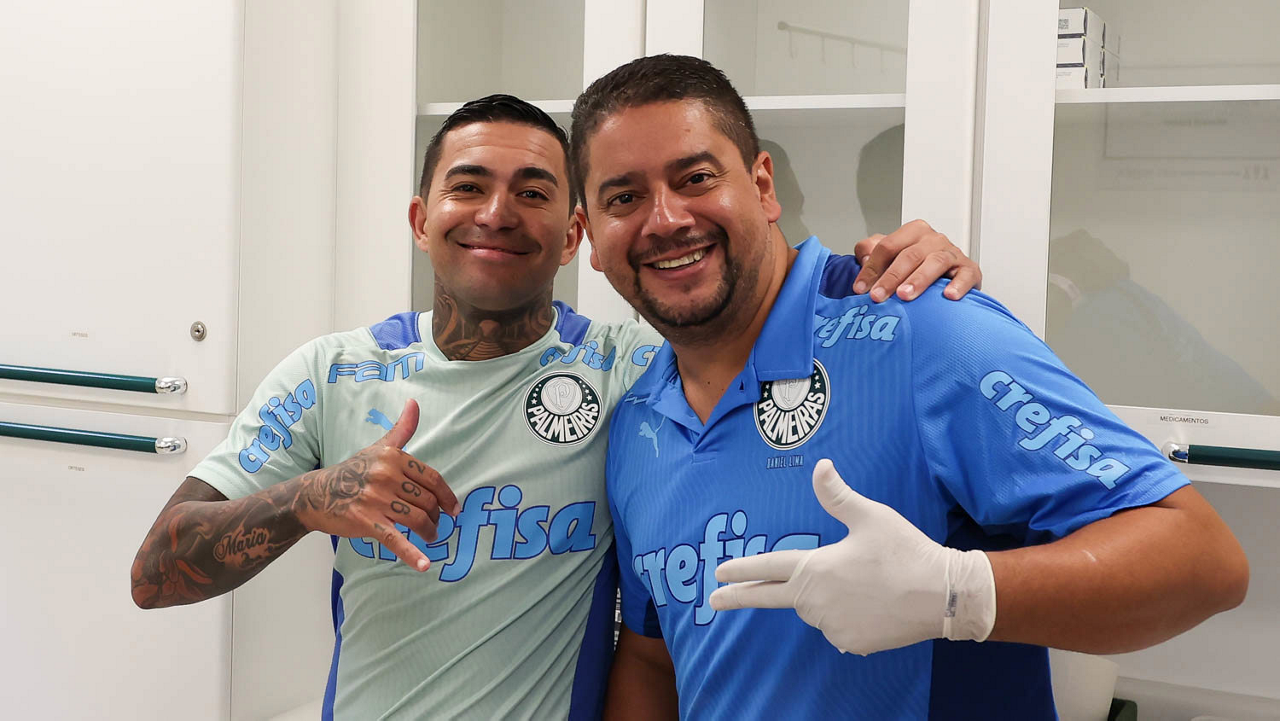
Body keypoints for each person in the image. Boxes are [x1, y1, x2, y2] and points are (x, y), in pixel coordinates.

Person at [129, 94, 982, 719]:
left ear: (575, 236)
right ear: (422, 219)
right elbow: (154, 572)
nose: (497, 214)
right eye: (468, 188)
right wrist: (310, 498)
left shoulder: (632, 371)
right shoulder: (330, 373)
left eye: (534, 192)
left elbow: (760, 312)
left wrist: (888, 267)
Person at [571, 55, 1251, 719]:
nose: (665, 219)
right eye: (623, 197)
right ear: (593, 238)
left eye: (695, 177)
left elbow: (1201, 558)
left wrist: (955, 594)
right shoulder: (638, 422)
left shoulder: (922, 330)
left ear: (763, 186)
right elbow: (654, 660)